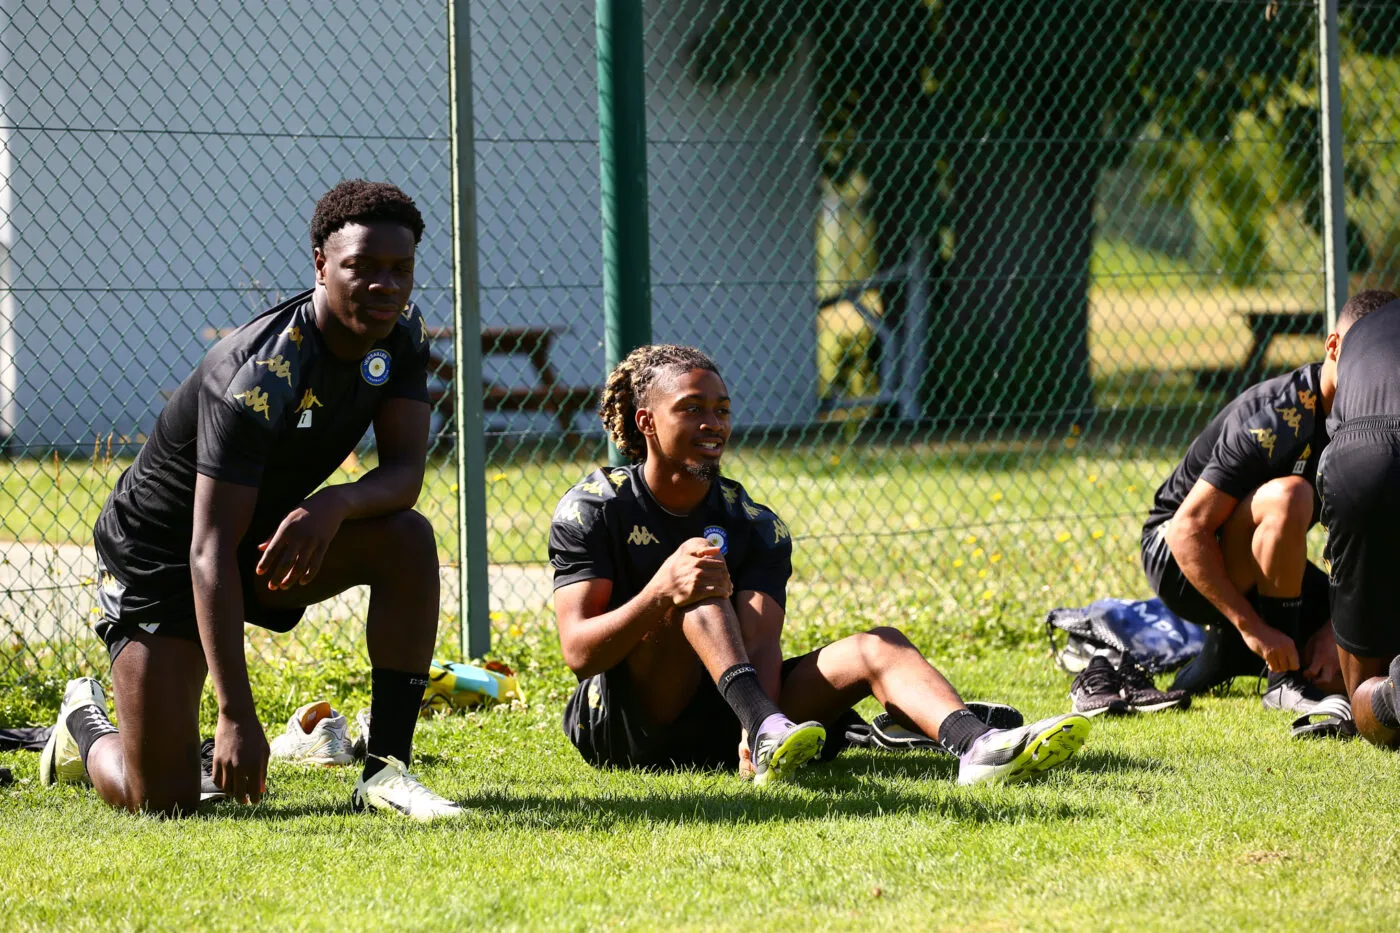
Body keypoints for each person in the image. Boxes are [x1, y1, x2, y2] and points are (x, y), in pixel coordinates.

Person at [40, 180, 461, 819]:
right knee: (166, 800)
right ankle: (85, 726)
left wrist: (334, 504)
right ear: (321, 264)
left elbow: (404, 473)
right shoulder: (258, 375)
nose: (385, 285)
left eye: (400, 269)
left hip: (263, 541)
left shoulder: (400, 332)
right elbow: (207, 552)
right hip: (164, 561)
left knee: (407, 536)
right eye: (361, 267)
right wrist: (236, 716)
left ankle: (386, 773)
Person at [548, 344, 1090, 786]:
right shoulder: (595, 507)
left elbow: (760, 639)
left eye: (722, 410)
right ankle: (780, 727)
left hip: (736, 713)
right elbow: (578, 652)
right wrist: (660, 592)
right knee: (697, 573)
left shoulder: (755, 523)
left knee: (878, 645)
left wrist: (752, 725)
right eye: (691, 408)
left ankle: (978, 747)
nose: (713, 423)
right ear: (646, 421)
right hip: (626, 729)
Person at [1139, 290, 1397, 710]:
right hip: (1177, 557)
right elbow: (1187, 530)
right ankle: (1279, 678)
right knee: (1290, 496)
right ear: (1333, 347)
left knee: (1349, 668)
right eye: (1360, 355)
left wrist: (1335, 628)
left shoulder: (1369, 415)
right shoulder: (1279, 416)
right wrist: (1253, 628)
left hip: (1255, 561)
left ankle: (1227, 654)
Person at [1316, 297, 1400, 746]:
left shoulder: (1360, 337)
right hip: (1364, 451)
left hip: (1359, 456)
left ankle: (1386, 699)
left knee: (1374, 715)